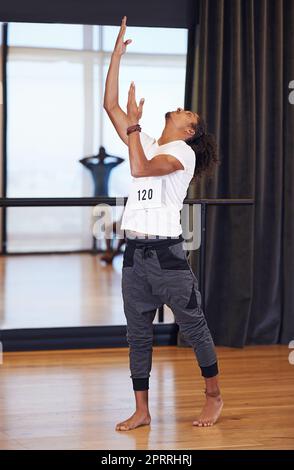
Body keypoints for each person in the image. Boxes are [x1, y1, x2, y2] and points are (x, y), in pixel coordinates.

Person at [103, 16, 222, 431]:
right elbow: (111, 107)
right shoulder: (149, 142)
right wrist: (115, 57)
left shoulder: (182, 156)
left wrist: (135, 126)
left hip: (168, 257)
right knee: (138, 335)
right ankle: (142, 409)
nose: (181, 108)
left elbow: (139, 168)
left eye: (188, 112)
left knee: (194, 327)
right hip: (134, 256)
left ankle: (214, 396)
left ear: (188, 131)